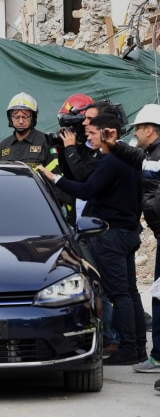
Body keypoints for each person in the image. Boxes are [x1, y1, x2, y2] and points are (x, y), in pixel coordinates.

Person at [37, 113, 146, 366]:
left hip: (110, 235)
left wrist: (55, 179)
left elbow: (87, 189)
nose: (89, 138)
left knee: (119, 294)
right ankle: (138, 346)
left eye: (93, 133)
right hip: (128, 231)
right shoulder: (130, 160)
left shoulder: (111, 162)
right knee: (129, 292)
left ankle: (129, 349)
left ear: (109, 133)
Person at [100, 104, 160, 373]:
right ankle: (157, 354)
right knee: (155, 294)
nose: (134, 132)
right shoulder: (151, 155)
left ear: (150, 129)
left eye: (137, 128)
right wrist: (114, 145)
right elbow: (136, 158)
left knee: (157, 296)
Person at [0, 92, 59, 172]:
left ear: (33, 118)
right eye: (16, 117)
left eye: (25, 117)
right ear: (10, 118)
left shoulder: (46, 141)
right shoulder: (4, 145)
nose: (21, 121)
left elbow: (55, 177)